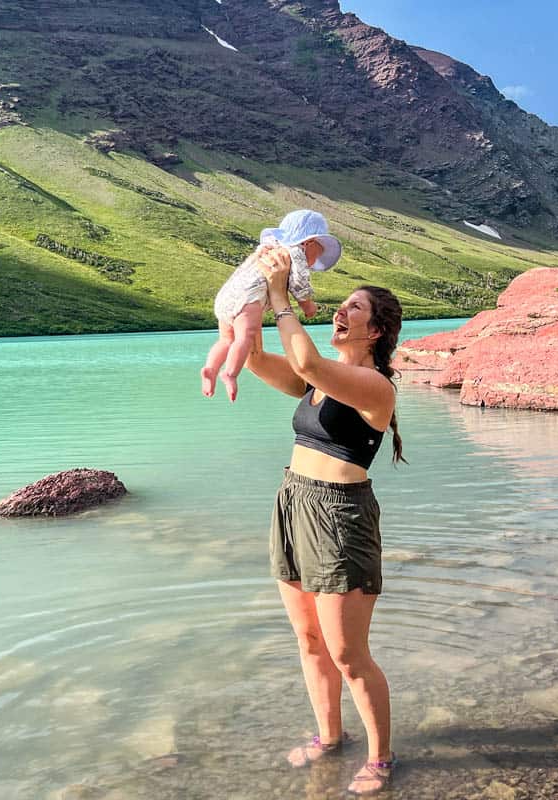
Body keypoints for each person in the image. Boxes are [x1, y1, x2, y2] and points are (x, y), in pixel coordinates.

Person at [245, 242, 405, 796]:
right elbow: (259, 360)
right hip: (292, 503)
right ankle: (330, 737)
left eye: (354, 308)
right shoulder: (318, 380)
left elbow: (307, 361)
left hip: (340, 516)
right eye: (340, 304)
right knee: (309, 640)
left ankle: (381, 757)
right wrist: (248, 304)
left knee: (347, 652)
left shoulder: (375, 388)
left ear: (376, 331)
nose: (340, 310)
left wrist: (281, 296)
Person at [201, 209, 340, 402]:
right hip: (247, 299)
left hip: (226, 296)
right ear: (308, 242)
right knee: (245, 337)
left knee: (226, 339)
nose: (314, 262)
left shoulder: (269, 248)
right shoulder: (295, 252)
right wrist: (307, 304)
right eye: (317, 254)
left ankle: (210, 369)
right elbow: (299, 282)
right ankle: (230, 374)